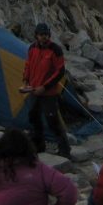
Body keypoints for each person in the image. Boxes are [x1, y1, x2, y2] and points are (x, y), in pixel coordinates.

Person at [21, 22, 72, 158]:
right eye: (41, 35)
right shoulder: (32, 48)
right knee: (34, 117)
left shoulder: (55, 50)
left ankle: (65, 151)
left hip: (48, 93)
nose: (43, 37)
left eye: (45, 35)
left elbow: (60, 71)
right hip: (33, 91)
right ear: (36, 35)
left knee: (52, 121)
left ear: (48, 35)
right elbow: (28, 65)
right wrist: (26, 81)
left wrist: (44, 87)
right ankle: (39, 146)